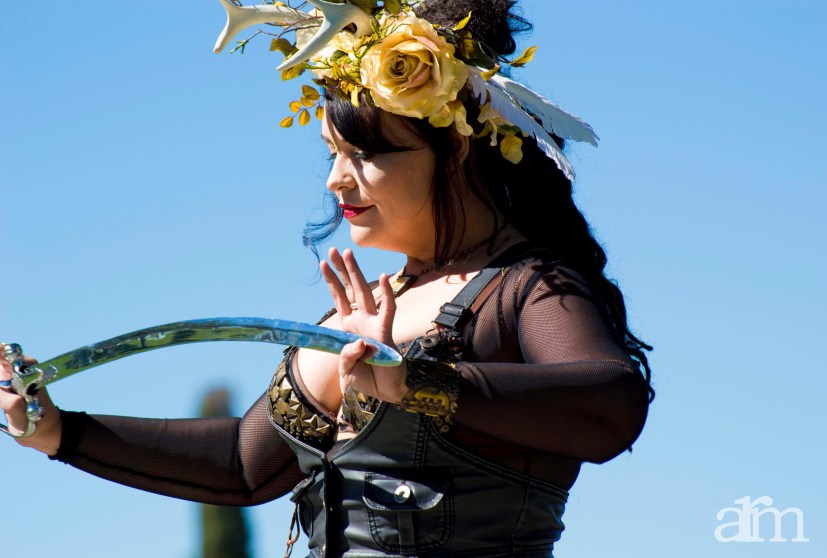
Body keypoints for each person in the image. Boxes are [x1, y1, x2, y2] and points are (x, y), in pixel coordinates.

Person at [0, 0, 653, 556]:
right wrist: (57, 431)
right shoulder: (362, 309)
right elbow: (242, 466)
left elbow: (611, 405)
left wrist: (416, 383)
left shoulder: (529, 285)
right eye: (334, 154)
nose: (337, 180)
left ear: (452, 149)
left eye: (363, 154)